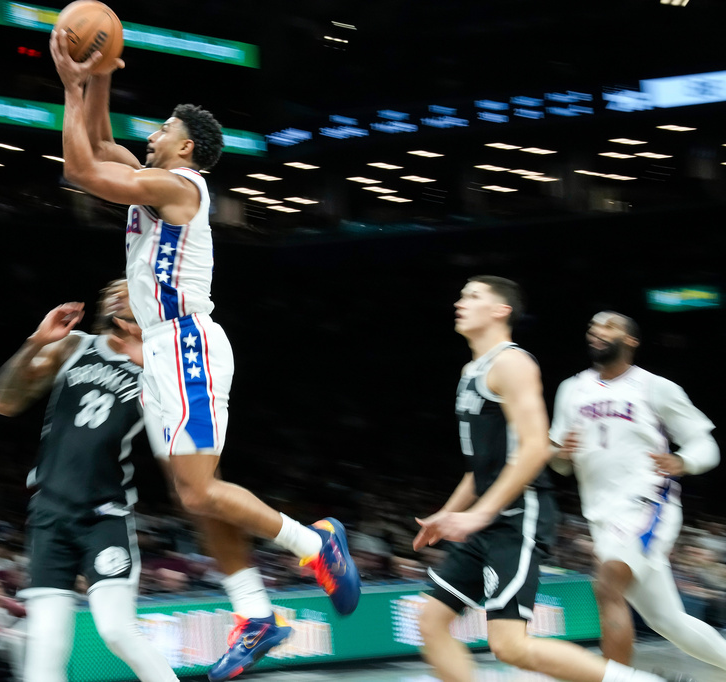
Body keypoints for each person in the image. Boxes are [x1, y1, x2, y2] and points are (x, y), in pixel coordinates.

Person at [49, 31, 360, 682]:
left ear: (185, 146)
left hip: (187, 342)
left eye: (162, 127)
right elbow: (101, 146)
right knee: (194, 498)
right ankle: (255, 613)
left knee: (198, 487)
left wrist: (71, 83)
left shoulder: (180, 186)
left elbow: (81, 168)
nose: (153, 134)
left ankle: (315, 542)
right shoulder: (155, 178)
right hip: (161, 352)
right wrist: (101, 73)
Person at [413, 276, 689, 682]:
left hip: (516, 516)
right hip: (486, 521)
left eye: (472, 296)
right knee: (430, 623)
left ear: (500, 310)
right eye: (461, 295)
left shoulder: (512, 363)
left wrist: (478, 515)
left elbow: (535, 449)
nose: (460, 302)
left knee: (509, 645)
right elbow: (481, 468)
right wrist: (448, 513)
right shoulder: (471, 370)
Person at [0, 280, 180, 682]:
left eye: (127, 290)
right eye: (111, 290)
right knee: (45, 644)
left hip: (104, 514)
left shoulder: (158, 367)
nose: (114, 294)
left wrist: (158, 370)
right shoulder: (74, 346)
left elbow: (180, 440)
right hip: (50, 512)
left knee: (117, 631)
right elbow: (2, 402)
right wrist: (36, 342)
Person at [549, 311, 725, 669]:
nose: (597, 332)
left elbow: (705, 445)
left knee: (607, 585)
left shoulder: (655, 387)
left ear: (631, 340)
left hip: (646, 505)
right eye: (592, 327)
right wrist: (560, 454)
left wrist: (684, 461)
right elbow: (559, 462)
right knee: (668, 622)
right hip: (601, 516)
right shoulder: (571, 389)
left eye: (608, 326)